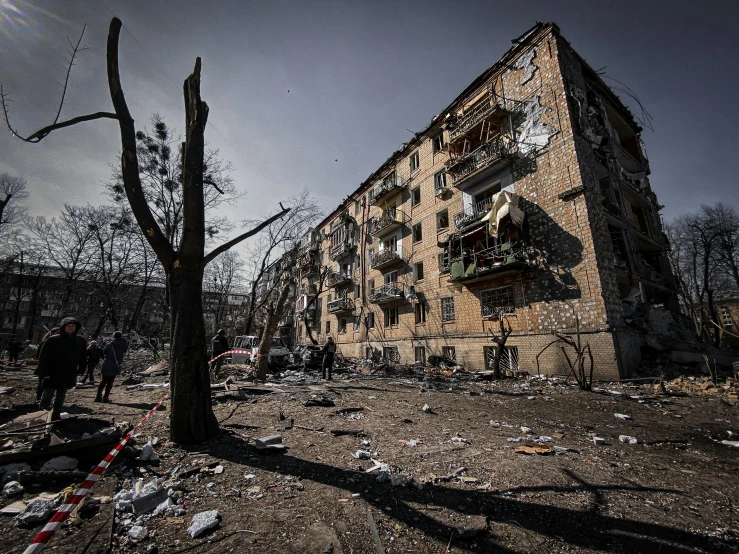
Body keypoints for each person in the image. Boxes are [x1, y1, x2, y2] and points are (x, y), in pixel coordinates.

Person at [37, 317, 87, 421]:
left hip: (68, 373)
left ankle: (55, 416)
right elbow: (43, 357)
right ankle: (41, 416)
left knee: (61, 396)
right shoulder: (53, 339)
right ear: (63, 327)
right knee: (47, 395)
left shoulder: (80, 341)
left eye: (73, 326)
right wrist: (44, 372)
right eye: (68, 326)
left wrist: (81, 369)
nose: (70, 328)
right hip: (52, 372)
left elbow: (83, 357)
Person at [96, 331, 128, 403]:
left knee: (103, 381)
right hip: (116, 364)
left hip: (107, 363)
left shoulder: (109, 344)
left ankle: (98, 397)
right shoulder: (123, 344)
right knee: (110, 382)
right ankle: (106, 397)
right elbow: (125, 351)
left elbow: (104, 352)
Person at [34, 327, 59, 402]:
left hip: (54, 368)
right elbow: (38, 356)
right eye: (57, 333)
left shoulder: (60, 344)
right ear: (53, 333)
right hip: (45, 367)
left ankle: (46, 400)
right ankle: (39, 399)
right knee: (42, 384)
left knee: (51, 385)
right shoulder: (45, 342)